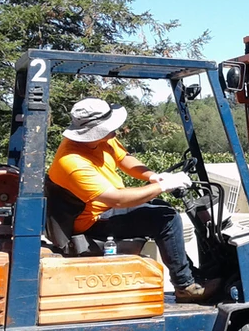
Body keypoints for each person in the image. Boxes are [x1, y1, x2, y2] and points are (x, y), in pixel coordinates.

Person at [48, 98, 219, 302]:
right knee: (166, 218)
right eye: (109, 127)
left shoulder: (101, 140)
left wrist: (153, 176)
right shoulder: (72, 161)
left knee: (161, 209)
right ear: (94, 130)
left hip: (103, 209)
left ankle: (190, 274)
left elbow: (124, 158)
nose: (115, 131)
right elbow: (118, 200)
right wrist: (163, 186)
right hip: (90, 221)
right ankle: (185, 286)